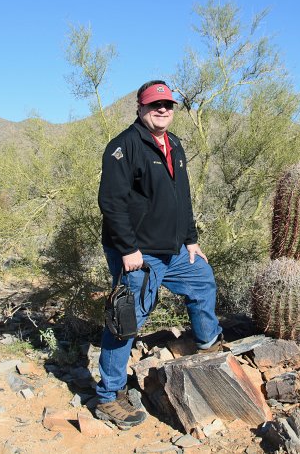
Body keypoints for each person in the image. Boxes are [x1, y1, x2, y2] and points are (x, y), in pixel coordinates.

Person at [94, 79, 224, 429]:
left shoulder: (175, 145)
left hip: (175, 249)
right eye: (154, 105)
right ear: (140, 108)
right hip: (140, 254)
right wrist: (128, 249)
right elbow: (111, 203)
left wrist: (191, 239)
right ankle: (109, 395)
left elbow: (183, 198)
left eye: (167, 104)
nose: (162, 110)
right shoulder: (124, 147)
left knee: (203, 281)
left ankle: (207, 346)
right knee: (126, 318)